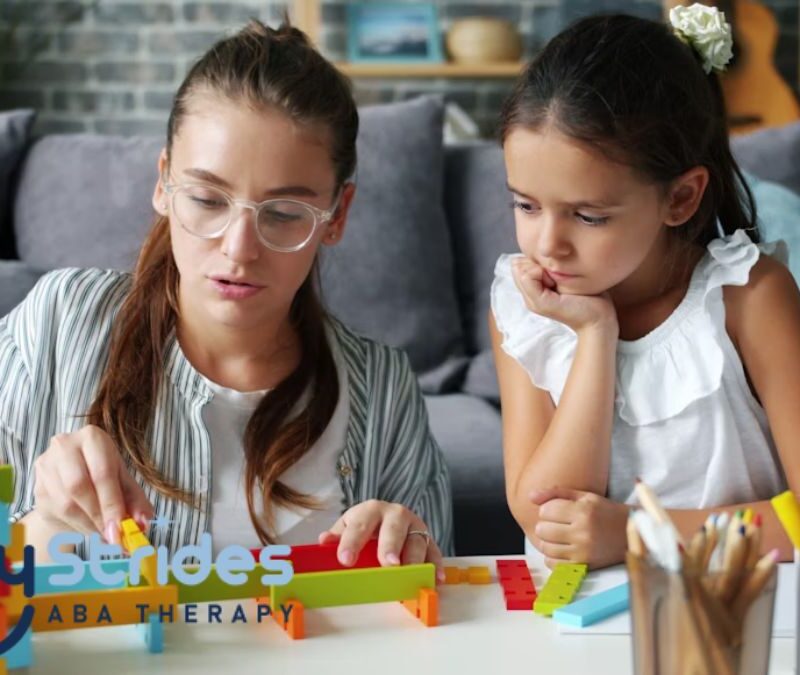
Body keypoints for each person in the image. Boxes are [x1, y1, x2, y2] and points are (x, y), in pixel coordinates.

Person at [0, 20, 453, 573]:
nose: (239, 250)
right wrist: (39, 526)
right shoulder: (60, 320)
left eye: (285, 214)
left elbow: (441, 609)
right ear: (164, 183)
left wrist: (413, 555)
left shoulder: (384, 388)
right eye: (209, 199)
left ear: (337, 216)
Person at [490, 5, 799, 569]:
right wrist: (594, 335)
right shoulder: (521, 306)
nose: (548, 245)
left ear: (680, 198)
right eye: (526, 205)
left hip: (728, 620)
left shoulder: (749, 298)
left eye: (588, 216)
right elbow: (545, 516)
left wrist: (640, 534)